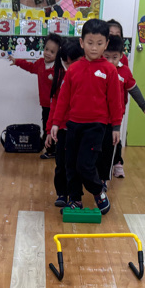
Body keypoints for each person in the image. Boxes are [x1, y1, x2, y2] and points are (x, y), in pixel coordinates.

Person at [49, 19, 123, 215]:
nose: (94, 48)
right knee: (71, 165)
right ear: (82, 43)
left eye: (99, 43)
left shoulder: (109, 70)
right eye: (90, 43)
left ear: (106, 44)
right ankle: (75, 200)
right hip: (73, 125)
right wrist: (56, 123)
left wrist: (116, 127)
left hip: (96, 127)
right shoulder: (73, 69)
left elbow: (115, 100)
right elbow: (63, 99)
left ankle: (98, 191)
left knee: (85, 165)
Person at [101, 34, 145, 181]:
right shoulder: (98, 70)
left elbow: (133, 89)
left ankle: (104, 180)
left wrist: (144, 105)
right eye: (106, 57)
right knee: (95, 148)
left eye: (114, 57)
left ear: (121, 56)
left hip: (114, 118)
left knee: (110, 149)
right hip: (97, 117)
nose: (110, 61)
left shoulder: (124, 71)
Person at [9, 34, 62, 156]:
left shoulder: (59, 69)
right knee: (46, 125)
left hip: (57, 105)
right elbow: (30, 67)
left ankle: (55, 150)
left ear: (58, 53)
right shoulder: (40, 63)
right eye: (46, 49)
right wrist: (17, 62)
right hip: (45, 103)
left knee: (56, 127)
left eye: (52, 52)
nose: (48, 53)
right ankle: (50, 148)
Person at [46, 38, 83, 208]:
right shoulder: (61, 76)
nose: (69, 66)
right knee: (61, 163)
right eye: (65, 63)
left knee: (76, 164)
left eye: (72, 62)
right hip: (61, 129)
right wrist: (49, 129)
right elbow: (55, 104)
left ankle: (75, 196)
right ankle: (62, 193)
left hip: (79, 128)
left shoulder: (86, 76)